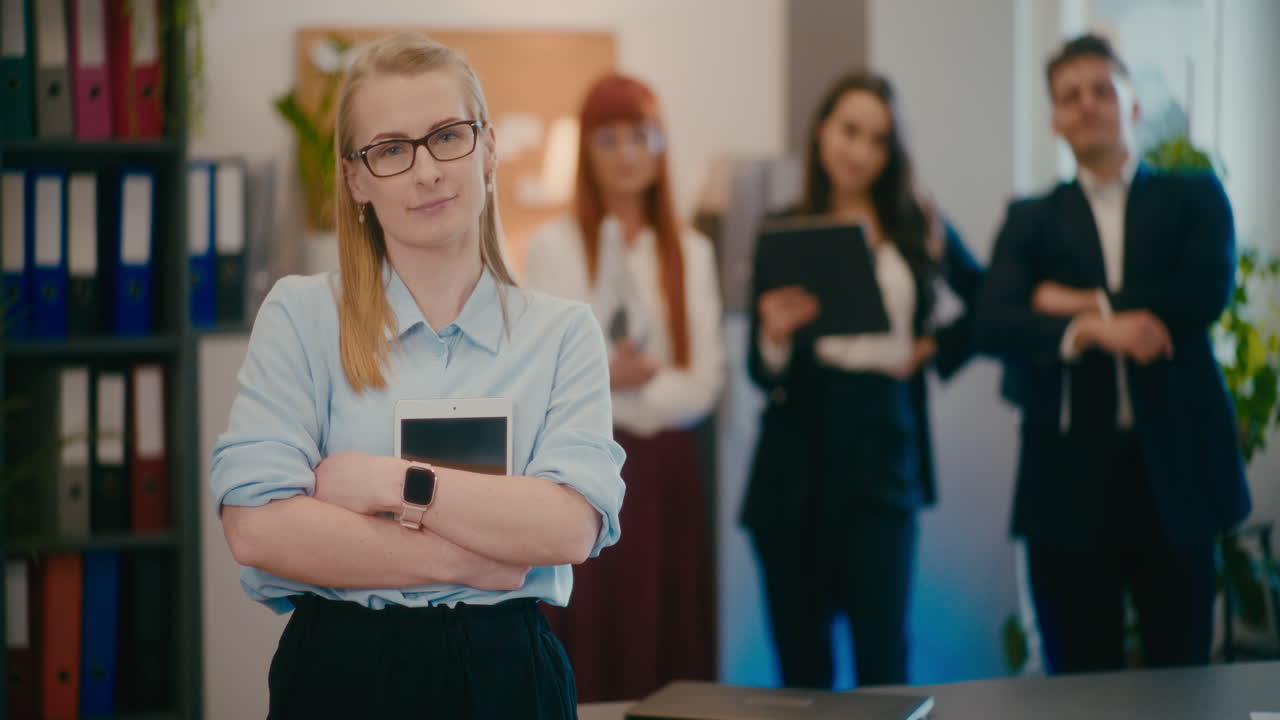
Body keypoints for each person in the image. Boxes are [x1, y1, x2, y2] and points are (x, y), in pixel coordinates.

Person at [209, 32, 625, 719]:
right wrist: (476, 560)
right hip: (342, 671)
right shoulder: (302, 314)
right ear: (357, 180)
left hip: (509, 675)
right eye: (392, 149)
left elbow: (566, 529)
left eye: (447, 136)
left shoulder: (563, 333)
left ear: (487, 147)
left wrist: (384, 483)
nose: (427, 170)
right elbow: (257, 529)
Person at [975, 34, 1251, 674]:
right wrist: (1097, 332)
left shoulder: (1195, 195)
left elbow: (1201, 294)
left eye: (1103, 89)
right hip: (1066, 482)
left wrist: (1071, 301)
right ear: (1054, 120)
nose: (1088, 103)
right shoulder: (1030, 218)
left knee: (1181, 678)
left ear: (1131, 105)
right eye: (1071, 96)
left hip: (1175, 473)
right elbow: (993, 321)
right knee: (1076, 681)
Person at [740, 70, 984, 688]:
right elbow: (757, 369)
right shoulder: (783, 227)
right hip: (796, 453)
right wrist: (772, 334)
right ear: (822, 132)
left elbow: (988, 304)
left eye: (878, 140)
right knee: (802, 670)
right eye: (850, 131)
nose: (861, 151)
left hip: (884, 449)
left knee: (885, 661)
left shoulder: (916, 225)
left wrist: (930, 348)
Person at [523, 72, 725, 702]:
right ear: (586, 151)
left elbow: (705, 385)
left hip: (666, 472)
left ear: (661, 143)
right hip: (580, 469)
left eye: (640, 135)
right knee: (590, 645)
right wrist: (613, 378)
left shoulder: (689, 251)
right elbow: (547, 376)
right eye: (607, 138)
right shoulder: (554, 246)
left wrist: (626, 385)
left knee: (666, 643)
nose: (627, 153)